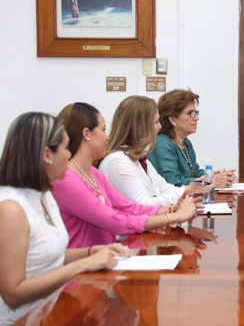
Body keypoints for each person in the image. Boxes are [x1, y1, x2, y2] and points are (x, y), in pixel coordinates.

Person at [0, 112, 129, 324]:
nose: (70, 156)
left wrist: (93, 251)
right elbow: (13, 293)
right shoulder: (11, 208)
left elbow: (46, 256)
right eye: (66, 148)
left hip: (49, 311)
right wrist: (81, 265)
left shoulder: (44, 195)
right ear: (47, 155)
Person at [52, 103, 201, 249]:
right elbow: (116, 221)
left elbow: (129, 208)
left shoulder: (93, 173)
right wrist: (176, 216)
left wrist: (173, 209)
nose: (107, 137)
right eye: (103, 130)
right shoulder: (67, 180)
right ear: (86, 134)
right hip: (85, 262)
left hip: (105, 256)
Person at [99, 95, 214, 206]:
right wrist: (189, 190)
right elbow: (144, 205)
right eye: (156, 122)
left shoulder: (138, 157)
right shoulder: (118, 161)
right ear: (140, 126)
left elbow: (164, 187)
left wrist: (189, 190)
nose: (160, 127)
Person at [148, 89, 235, 188]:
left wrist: (214, 176)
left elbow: (195, 173)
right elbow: (172, 182)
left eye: (196, 113)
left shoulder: (185, 142)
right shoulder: (162, 144)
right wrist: (210, 181)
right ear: (173, 119)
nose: (196, 118)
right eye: (190, 113)